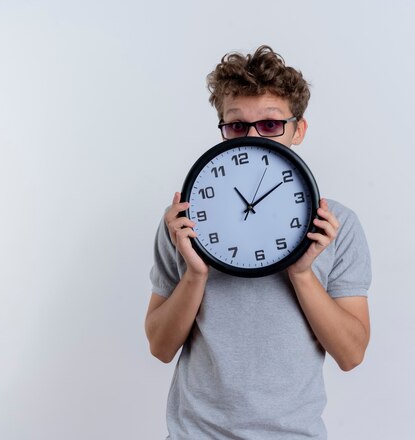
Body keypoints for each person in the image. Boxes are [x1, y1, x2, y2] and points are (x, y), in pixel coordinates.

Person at [145, 45, 372, 439]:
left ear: (298, 130)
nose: (251, 138)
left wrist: (302, 273)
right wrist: (196, 274)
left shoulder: (335, 226)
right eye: (236, 126)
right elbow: (161, 348)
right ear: (222, 132)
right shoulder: (184, 223)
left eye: (269, 125)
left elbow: (351, 355)